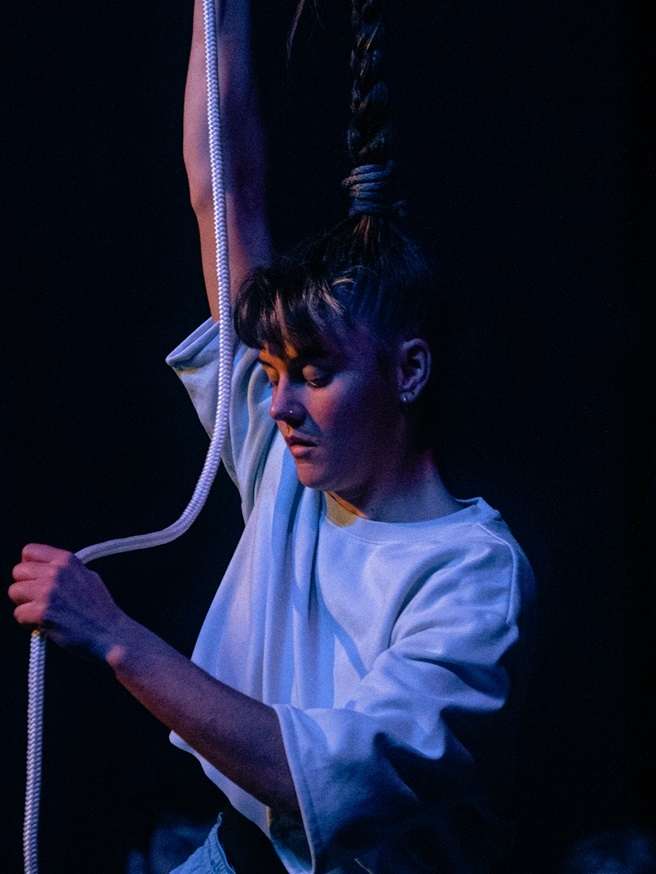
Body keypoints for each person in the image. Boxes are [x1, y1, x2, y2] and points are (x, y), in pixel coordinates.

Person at [9, 1, 536, 871]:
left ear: (408, 371)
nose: (276, 401)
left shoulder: (475, 574)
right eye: (277, 370)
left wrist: (115, 635)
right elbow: (223, 187)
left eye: (317, 374)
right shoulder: (293, 469)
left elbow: (319, 780)